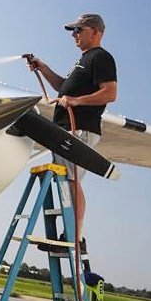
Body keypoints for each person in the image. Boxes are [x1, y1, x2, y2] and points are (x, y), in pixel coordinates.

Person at [27, 14, 118, 253]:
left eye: (78, 29)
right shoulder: (83, 60)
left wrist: (76, 101)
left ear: (95, 32)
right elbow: (61, 86)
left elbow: (110, 93)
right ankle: (73, 236)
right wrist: (43, 67)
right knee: (68, 181)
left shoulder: (101, 57)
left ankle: (75, 239)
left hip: (80, 130)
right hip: (66, 130)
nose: (74, 34)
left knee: (71, 181)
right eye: (73, 30)